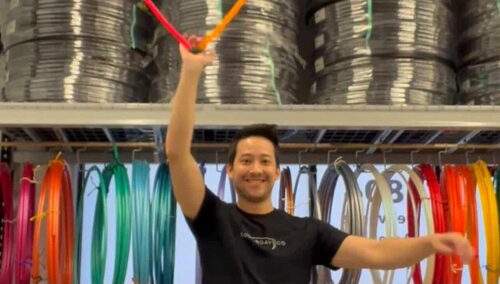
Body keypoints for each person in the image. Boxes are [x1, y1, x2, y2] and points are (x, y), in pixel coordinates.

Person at [165, 36, 474, 284]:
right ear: (230, 170)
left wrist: (429, 243)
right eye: (246, 161)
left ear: (277, 172)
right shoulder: (212, 218)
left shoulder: (306, 232)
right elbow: (177, 154)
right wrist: (190, 72)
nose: (256, 169)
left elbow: (375, 252)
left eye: (265, 161)